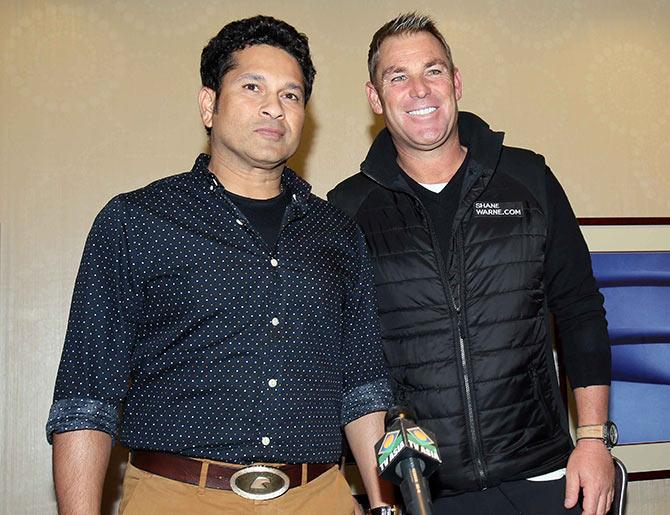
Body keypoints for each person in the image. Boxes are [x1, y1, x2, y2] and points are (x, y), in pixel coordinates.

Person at [46, 15, 393, 515]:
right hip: (176, 496)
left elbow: (363, 388)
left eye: (291, 95)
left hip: (320, 496)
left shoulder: (338, 233)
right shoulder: (137, 221)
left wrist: (382, 505)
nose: (275, 106)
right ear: (209, 104)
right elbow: (87, 395)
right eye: (253, 86)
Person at [329, 12, 615, 515]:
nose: (420, 90)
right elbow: (344, 361)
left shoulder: (528, 177)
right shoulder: (348, 210)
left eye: (433, 71)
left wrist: (593, 440)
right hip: (424, 492)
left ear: (456, 82)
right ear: (375, 98)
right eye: (398, 77)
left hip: (545, 476)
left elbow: (580, 310)